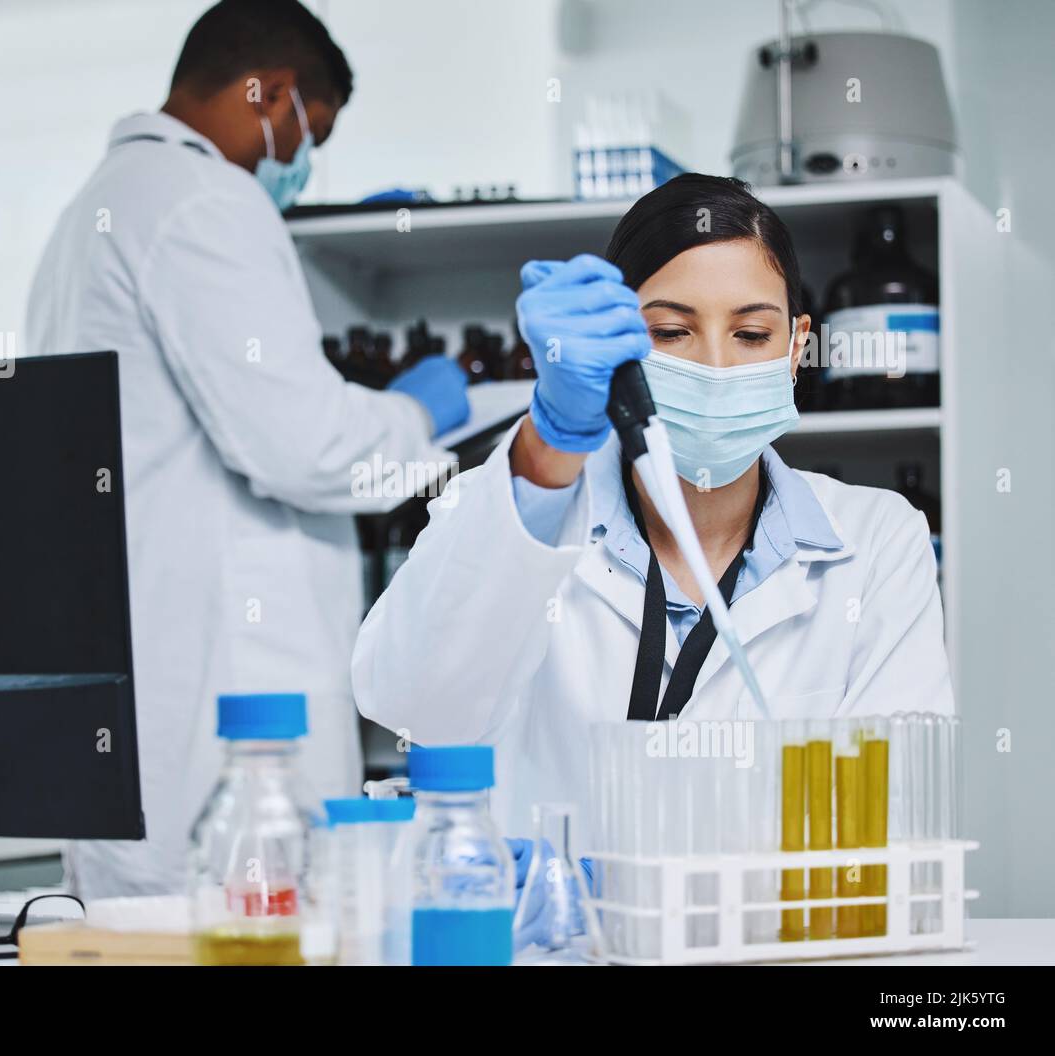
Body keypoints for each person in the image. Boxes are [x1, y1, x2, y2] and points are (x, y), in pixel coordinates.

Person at [352, 174, 953, 837]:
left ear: (796, 347)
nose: (717, 366)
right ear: (614, 346)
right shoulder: (514, 514)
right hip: (560, 938)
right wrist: (547, 449)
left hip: (775, 937)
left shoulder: (878, 541)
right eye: (670, 332)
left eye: (752, 334)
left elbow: (894, 808)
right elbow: (416, 706)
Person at [26, 0, 468, 897]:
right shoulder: (203, 201)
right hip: (221, 733)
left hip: (137, 722)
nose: (306, 163)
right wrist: (419, 418)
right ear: (278, 97)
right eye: (317, 132)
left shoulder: (90, 215)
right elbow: (304, 448)